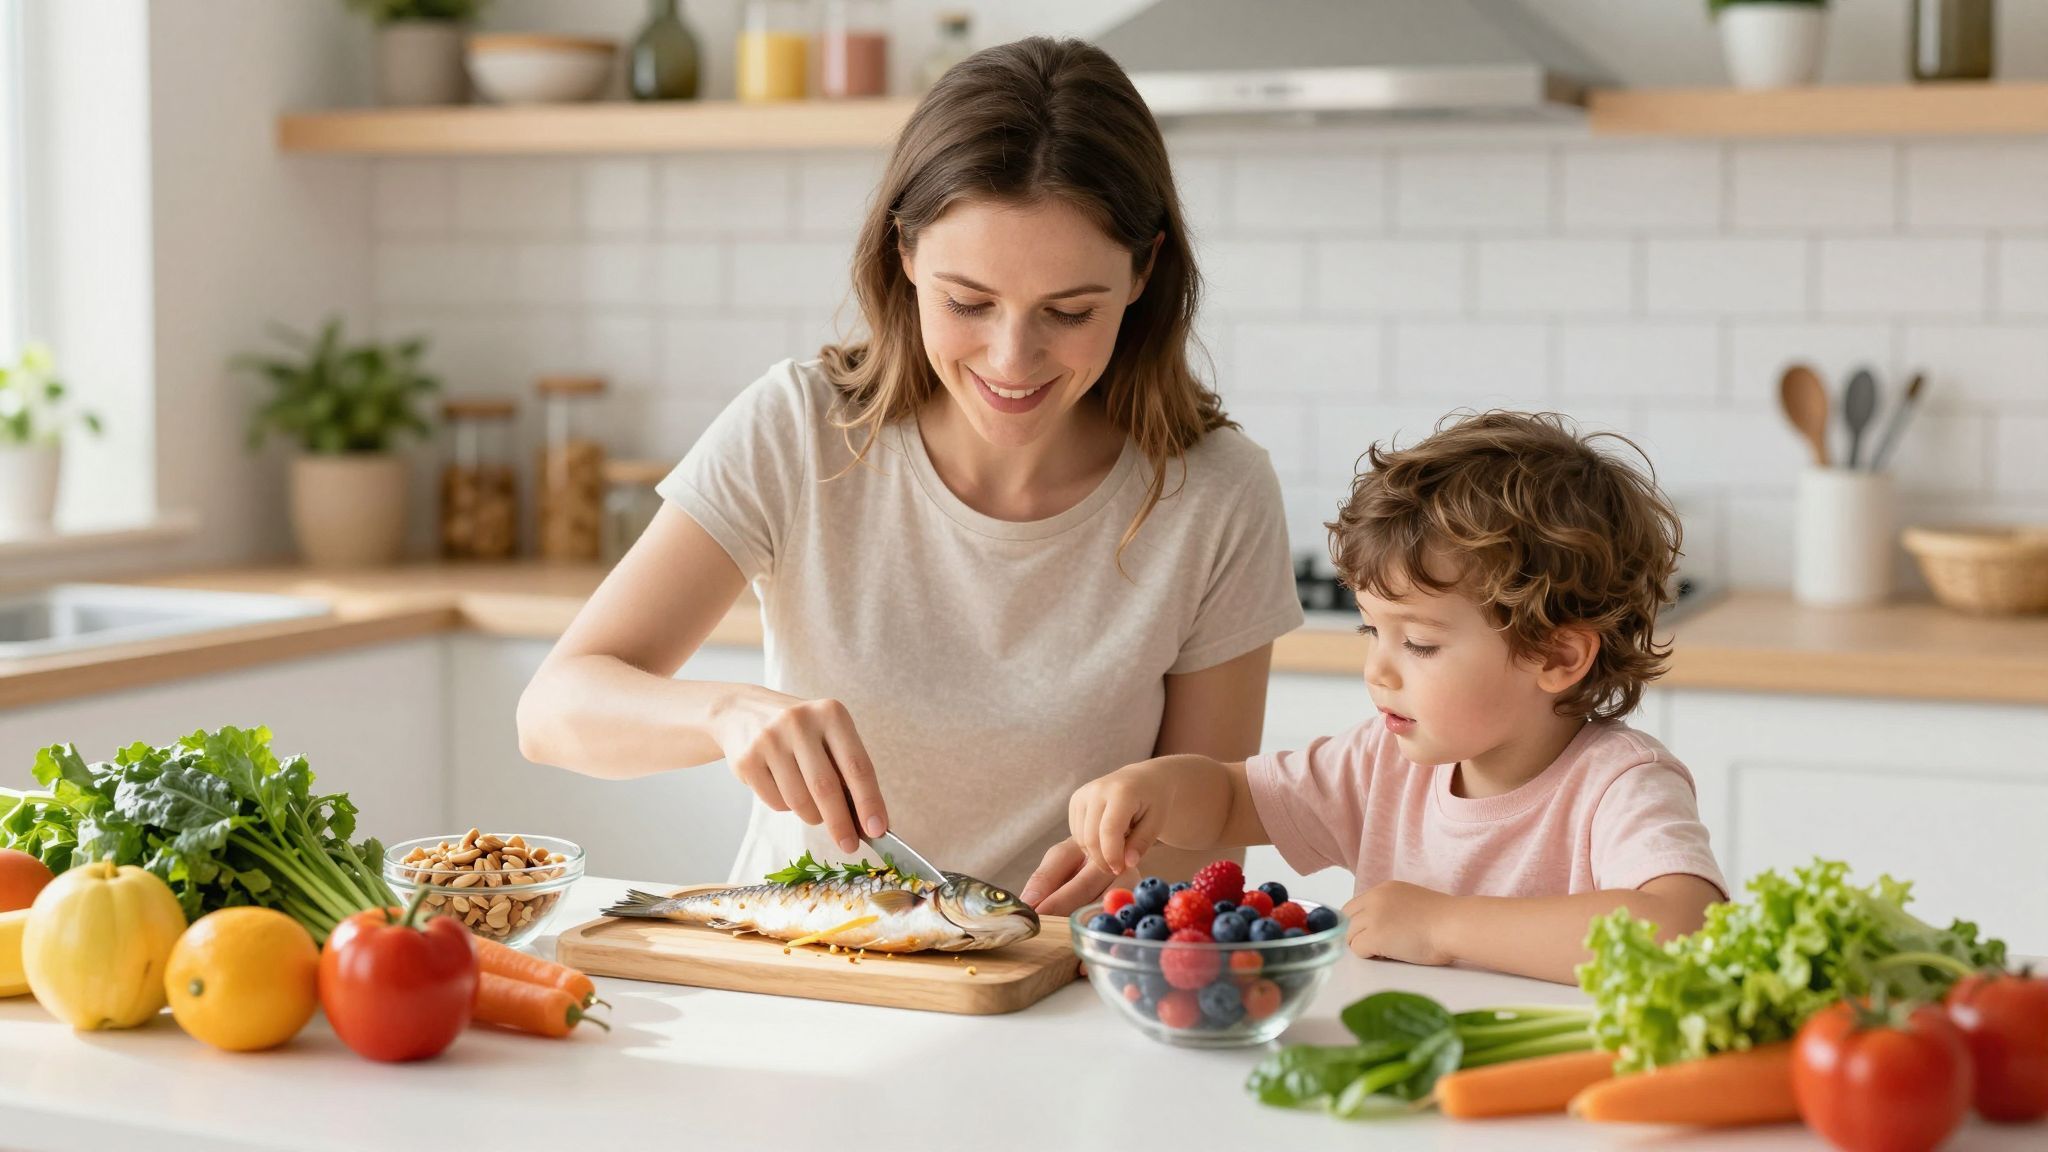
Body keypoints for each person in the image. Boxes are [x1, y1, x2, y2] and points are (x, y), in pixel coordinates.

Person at [516, 38, 1302, 914]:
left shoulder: (1216, 496)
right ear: (904, 253)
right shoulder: (801, 430)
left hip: (1065, 992)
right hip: (808, 970)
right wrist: (724, 714)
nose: (1013, 359)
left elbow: (1203, 854)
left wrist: (1134, 866)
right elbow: (553, 711)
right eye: (967, 303)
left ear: (1144, 272)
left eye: (1069, 312)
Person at [1065, 412, 1727, 983]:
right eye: (1371, 631)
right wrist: (1154, 786)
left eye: (1420, 644)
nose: (1377, 671)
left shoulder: (1620, 784)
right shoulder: (1382, 762)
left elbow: (1683, 930)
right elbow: (1234, 801)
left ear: (1555, 656)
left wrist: (1444, 926)